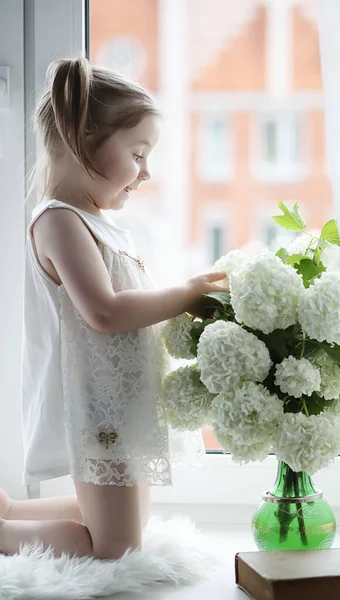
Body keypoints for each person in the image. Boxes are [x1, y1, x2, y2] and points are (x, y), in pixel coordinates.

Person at [0, 57, 227, 560]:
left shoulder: (98, 223)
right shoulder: (59, 221)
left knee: (130, 527)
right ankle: (3, 533)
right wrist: (185, 294)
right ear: (83, 143)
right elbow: (103, 312)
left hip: (122, 403)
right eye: (138, 153)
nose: (146, 172)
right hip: (99, 406)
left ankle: (9, 514)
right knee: (117, 548)